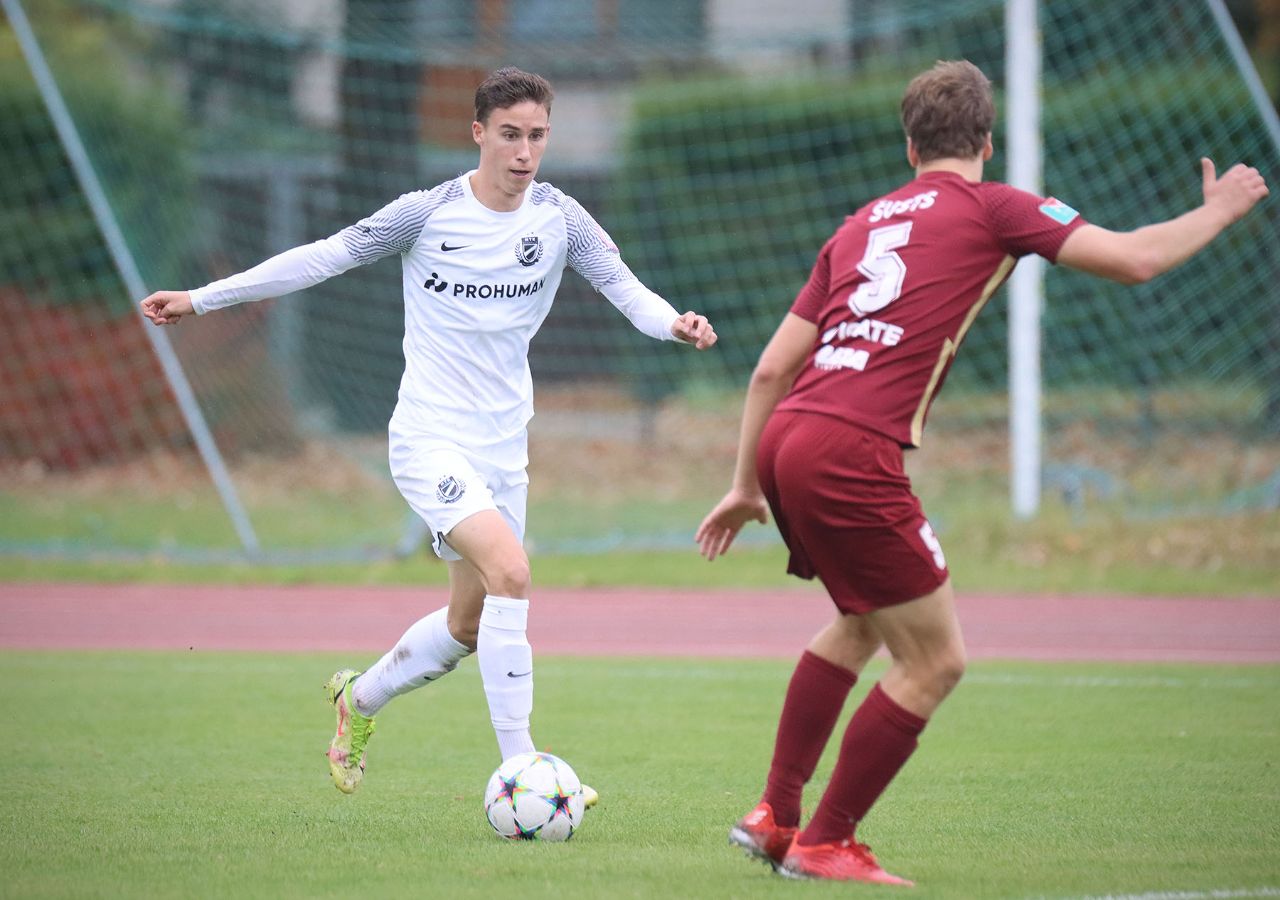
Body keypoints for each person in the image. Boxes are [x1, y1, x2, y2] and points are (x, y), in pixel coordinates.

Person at [695, 59, 1267, 885]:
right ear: (987, 143)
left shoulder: (859, 225)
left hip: (788, 437)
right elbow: (1136, 258)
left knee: (863, 622)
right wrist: (1219, 209)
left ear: (909, 147)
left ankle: (776, 815)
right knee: (936, 662)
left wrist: (747, 483)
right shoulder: (994, 205)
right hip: (850, 449)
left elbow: (769, 370)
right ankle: (825, 842)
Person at [142, 67, 718, 801]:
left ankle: (359, 699)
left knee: (469, 626)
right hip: (429, 438)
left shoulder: (561, 219)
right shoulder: (426, 213)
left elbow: (624, 287)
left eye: (537, 136)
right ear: (478, 133)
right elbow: (321, 257)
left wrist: (673, 323)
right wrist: (202, 298)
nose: (524, 151)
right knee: (512, 573)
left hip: (504, 447)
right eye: (509, 135)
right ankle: (525, 772)